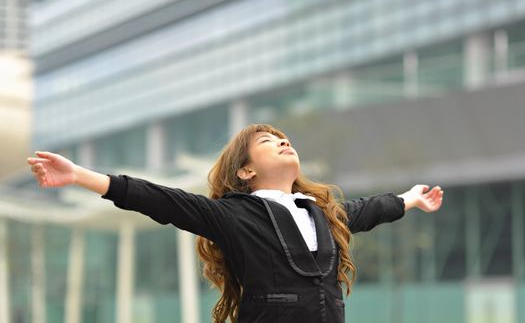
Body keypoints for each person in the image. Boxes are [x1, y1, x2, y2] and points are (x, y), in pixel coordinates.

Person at [27, 123, 443, 323]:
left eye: (286, 139)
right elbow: (161, 200)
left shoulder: (323, 213)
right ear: (245, 171)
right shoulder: (232, 215)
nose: (284, 141)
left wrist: (410, 198)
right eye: (268, 141)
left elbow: (366, 211)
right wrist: (80, 176)